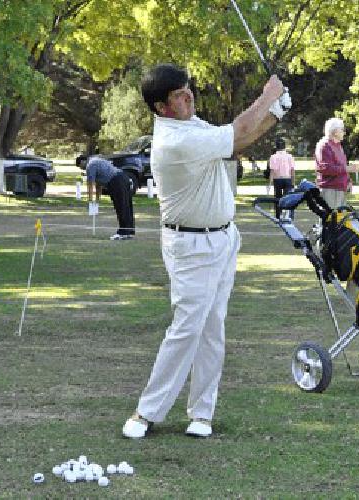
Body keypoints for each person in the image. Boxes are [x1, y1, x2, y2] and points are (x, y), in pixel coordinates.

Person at [122, 63, 290, 439]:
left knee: (213, 327)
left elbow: (238, 142)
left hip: (223, 238)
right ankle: (147, 411)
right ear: (160, 108)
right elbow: (239, 132)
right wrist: (268, 96)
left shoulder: (192, 125)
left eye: (187, 90)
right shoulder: (174, 141)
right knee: (186, 328)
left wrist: (275, 114)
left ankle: (202, 412)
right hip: (190, 245)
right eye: (179, 96)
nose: (188, 97)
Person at [85, 157, 136, 240]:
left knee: (120, 207)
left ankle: (123, 233)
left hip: (116, 181)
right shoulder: (99, 161)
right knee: (127, 206)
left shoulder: (90, 166)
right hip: (124, 177)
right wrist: (97, 200)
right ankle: (129, 231)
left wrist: (90, 200)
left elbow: (91, 184)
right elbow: (98, 185)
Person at [314, 117, 359, 210]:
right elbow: (325, 168)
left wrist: (348, 180)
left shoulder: (338, 145)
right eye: (342, 130)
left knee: (339, 221)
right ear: (335, 131)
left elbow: (341, 165)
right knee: (330, 221)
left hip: (339, 189)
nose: (344, 132)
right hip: (330, 189)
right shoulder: (325, 145)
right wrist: (347, 169)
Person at [267, 138, 296, 219]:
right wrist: (293, 182)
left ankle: (278, 216)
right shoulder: (290, 156)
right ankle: (289, 215)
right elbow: (292, 170)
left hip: (277, 179)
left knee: (278, 198)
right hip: (287, 178)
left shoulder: (273, 157)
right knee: (289, 197)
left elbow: (272, 171)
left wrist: (270, 183)